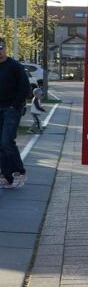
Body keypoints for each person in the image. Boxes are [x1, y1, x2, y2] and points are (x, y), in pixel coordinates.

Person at [0, 39, 32, 189]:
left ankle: (20, 172)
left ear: (5, 48)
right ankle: (8, 177)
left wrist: (15, 105)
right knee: (1, 144)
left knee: (7, 141)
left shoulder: (14, 66)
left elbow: (25, 87)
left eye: (0, 47)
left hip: (11, 109)